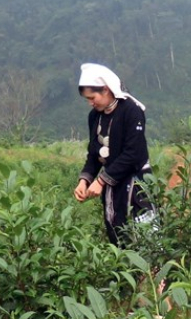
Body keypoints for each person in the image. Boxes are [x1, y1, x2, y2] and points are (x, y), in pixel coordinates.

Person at [73, 63, 155, 246]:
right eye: (87, 99)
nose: (90, 103)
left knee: (144, 233)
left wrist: (101, 180)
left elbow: (133, 153)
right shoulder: (95, 116)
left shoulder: (131, 111)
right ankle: (124, 270)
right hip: (113, 182)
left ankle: (153, 274)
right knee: (116, 229)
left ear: (106, 89)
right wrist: (84, 180)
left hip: (136, 182)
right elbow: (94, 154)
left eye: (92, 97)